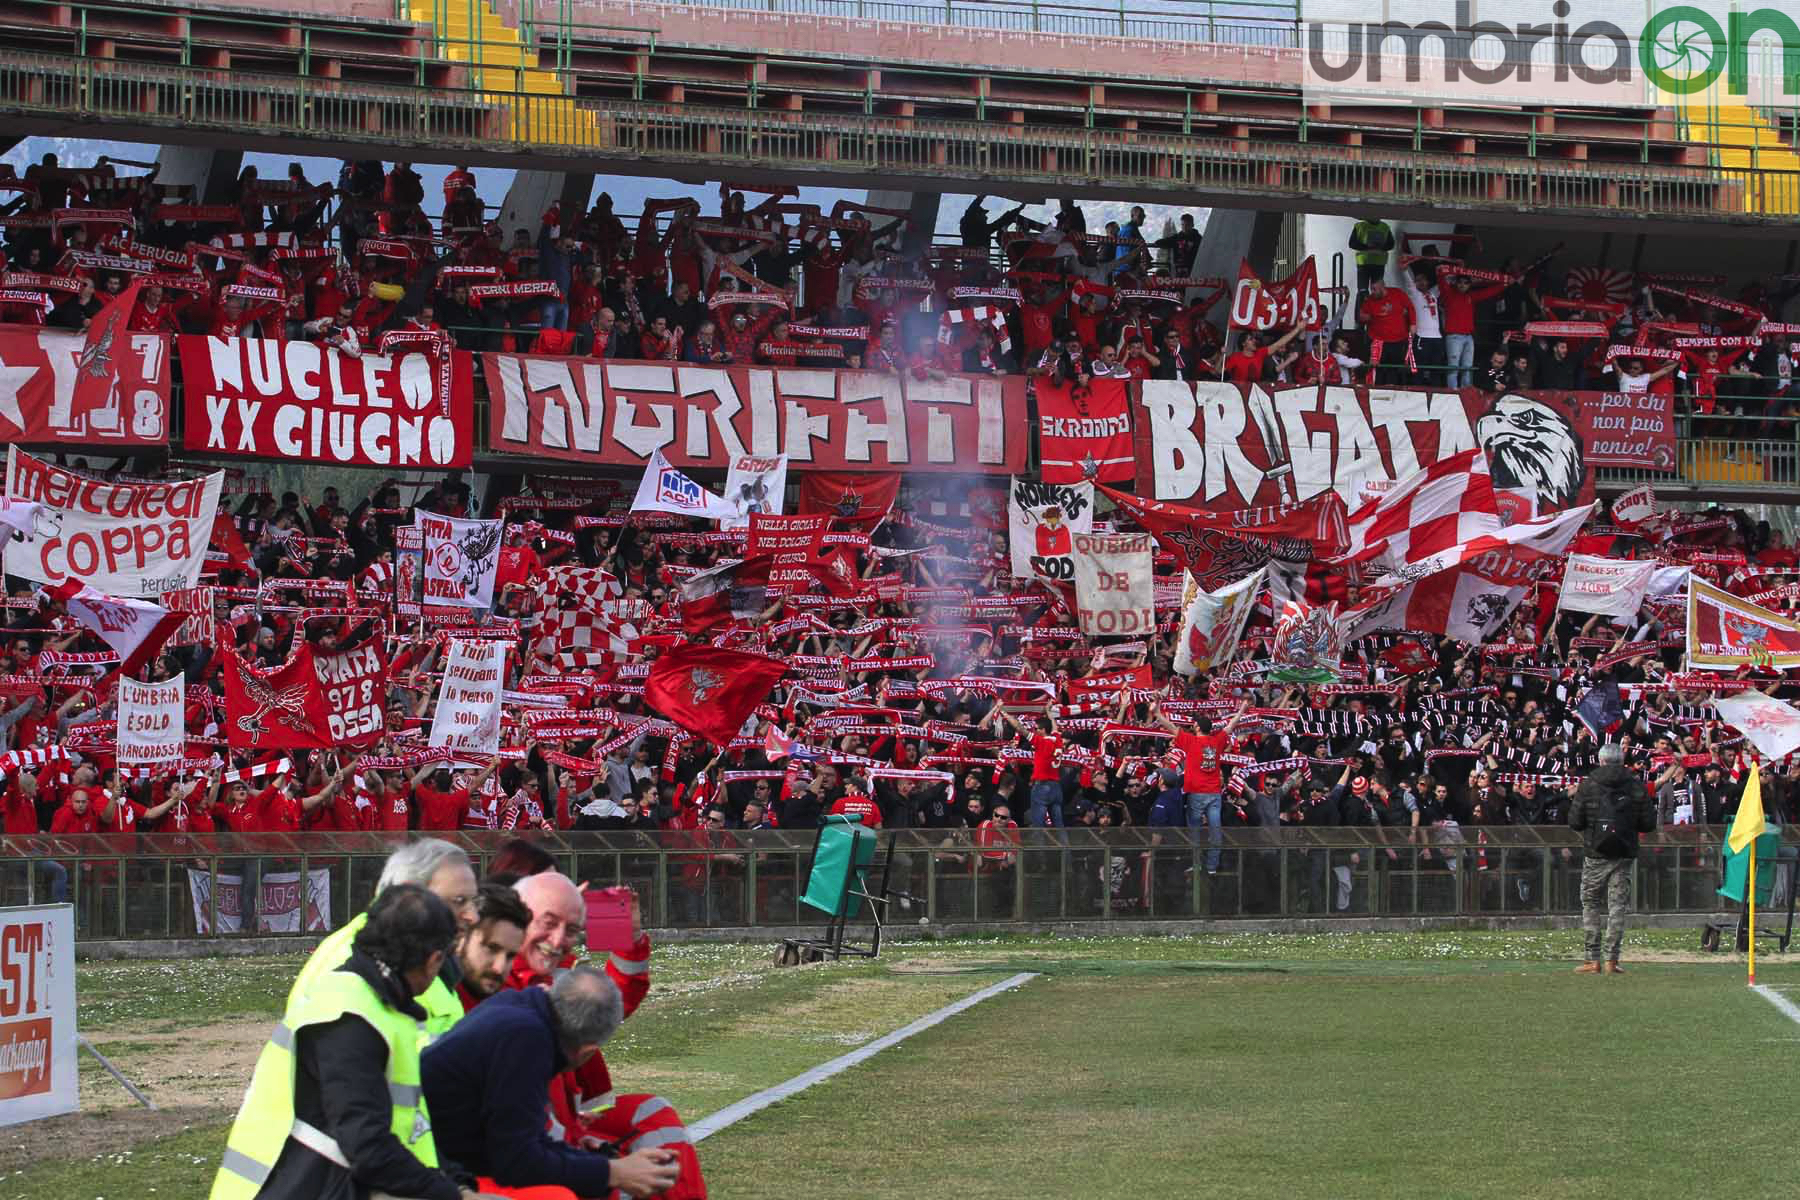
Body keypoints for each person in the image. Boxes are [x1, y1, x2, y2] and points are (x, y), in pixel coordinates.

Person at [210, 885, 481, 1200]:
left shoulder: (374, 1002)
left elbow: (410, 1127)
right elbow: (368, 1146)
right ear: (434, 960)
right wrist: (452, 1194)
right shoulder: (351, 1013)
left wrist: (453, 1184)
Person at [420, 967, 682, 1199]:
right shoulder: (527, 1040)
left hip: (435, 1157)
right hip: (428, 1169)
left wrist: (598, 1163)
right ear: (587, 1052)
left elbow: (525, 1142)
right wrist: (613, 1172)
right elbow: (517, 1162)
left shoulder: (519, 1010)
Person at [287, 840, 480, 1037]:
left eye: (473, 901)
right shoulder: (353, 960)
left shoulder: (417, 954)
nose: (473, 917)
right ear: (409, 893)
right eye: (459, 901)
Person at [1568, 742, 1657, 974]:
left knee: (1591, 903)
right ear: (1622, 760)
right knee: (1617, 905)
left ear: (1601, 760)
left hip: (1595, 853)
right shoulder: (1636, 786)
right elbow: (1648, 824)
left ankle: (1592, 959)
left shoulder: (1588, 785)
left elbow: (1575, 821)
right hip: (1624, 853)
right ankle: (1612, 961)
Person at [456, 883, 532, 1010]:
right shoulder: (425, 996)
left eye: (510, 956)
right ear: (462, 938)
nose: (499, 968)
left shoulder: (512, 1007)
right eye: (492, 949)